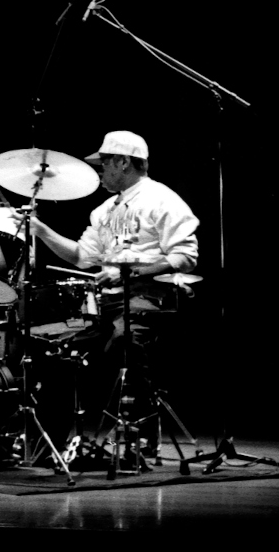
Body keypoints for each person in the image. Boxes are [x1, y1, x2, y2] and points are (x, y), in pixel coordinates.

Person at [17, 131, 199, 457]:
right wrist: (41, 231)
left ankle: (140, 434)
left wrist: (133, 270)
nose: (100, 172)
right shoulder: (103, 211)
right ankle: (48, 445)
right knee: (52, 346)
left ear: (123, 162)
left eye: (104, 164)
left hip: (152, 295)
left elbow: (185, 256)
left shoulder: (163, 199)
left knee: (124, 337)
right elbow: (80, 257)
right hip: (111, 300)